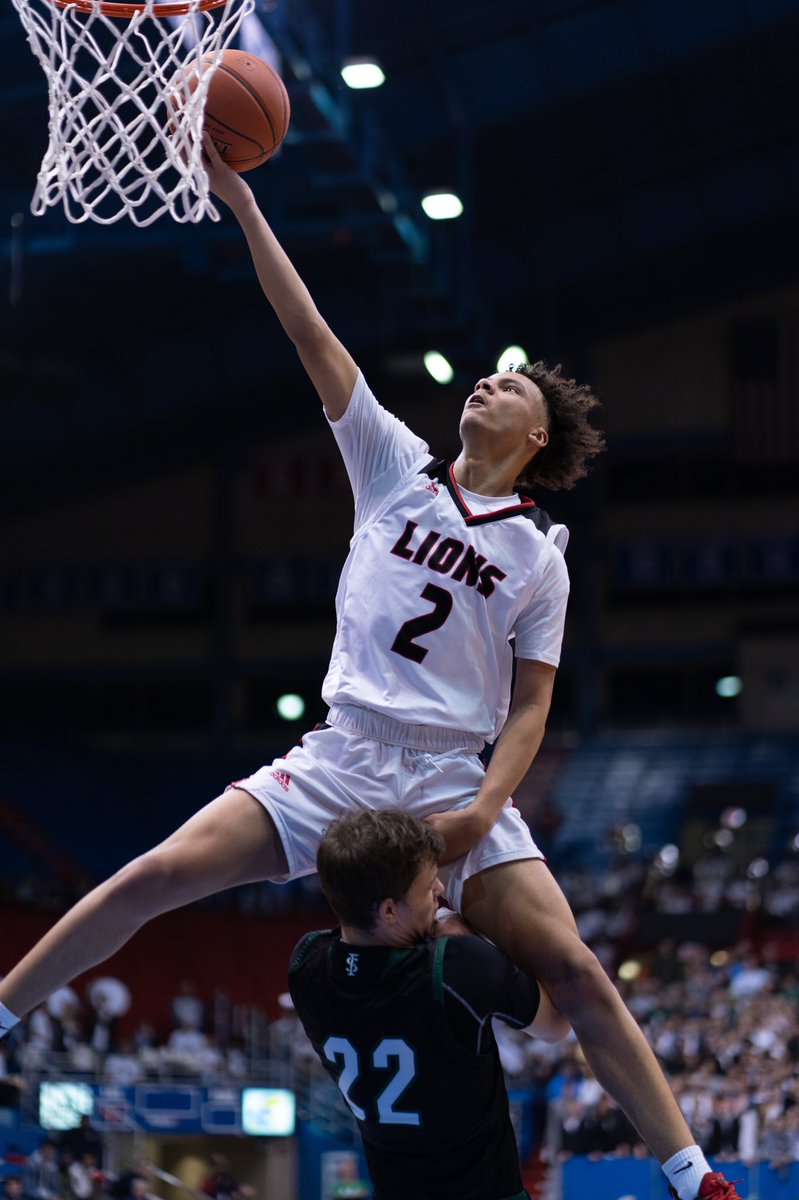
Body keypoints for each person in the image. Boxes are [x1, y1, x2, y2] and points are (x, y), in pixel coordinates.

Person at [0, 139, 742, 1200]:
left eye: (508, 386)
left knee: (575, 970)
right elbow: (309, 331)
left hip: (451, 775)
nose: (485, 381)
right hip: (344, 753)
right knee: (153, 876)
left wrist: (486, 810)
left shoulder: (541, 555)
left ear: (535, 436)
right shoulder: (391, 465)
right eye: (483, 376)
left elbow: (531, 706)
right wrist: (243, 205)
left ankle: (690, 1175)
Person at [289, 809, 569, 1200]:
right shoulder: (455, 968)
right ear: (388, 911)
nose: (439, 889)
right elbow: (557, 1025)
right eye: (426, 887)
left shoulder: (306, 965)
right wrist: (465, 932)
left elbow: (354, 947)